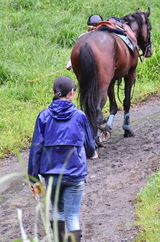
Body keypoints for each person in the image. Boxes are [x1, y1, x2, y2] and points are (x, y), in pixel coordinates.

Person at [27, 76, 96, 242]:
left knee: (57, 210)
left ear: (54, 93)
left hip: (51, 176)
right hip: (75, 174)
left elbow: (36, 148)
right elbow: (90, 146)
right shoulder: (80, 116)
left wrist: (33, 177)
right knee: (72, 215)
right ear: (72, 93)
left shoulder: (43, 117)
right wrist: (90, 152)